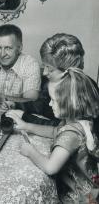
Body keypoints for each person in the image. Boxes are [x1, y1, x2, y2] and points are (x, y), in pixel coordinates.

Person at [7, 68, 99, 203]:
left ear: (71, 104)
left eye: (54, 101)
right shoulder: (79, 122)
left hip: (78, 199)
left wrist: (30, 151)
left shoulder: (71, 133)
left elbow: (50, 167)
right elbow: (54, 131)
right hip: (92, 192)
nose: (50, 104)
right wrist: (27, 126)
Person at [11, 33, 97, 127]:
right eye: (44, 66)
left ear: (67, 69)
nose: (44, 72)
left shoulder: (82, 89)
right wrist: (16, 105)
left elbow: (63, 128)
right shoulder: (52, 83)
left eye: (50, 69)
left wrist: (25, 117)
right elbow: (43, 106)